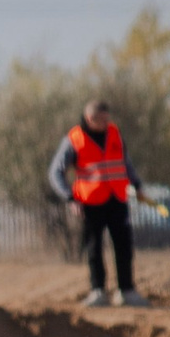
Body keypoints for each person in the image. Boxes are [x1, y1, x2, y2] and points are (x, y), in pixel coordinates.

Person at [46, 99, 148, 307]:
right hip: (90, 202)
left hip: (117, 198)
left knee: (123, 246)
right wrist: (70, 198)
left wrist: (136, 184)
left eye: (106, 118)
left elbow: (124, 162)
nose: (105, 123)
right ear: (89, 118)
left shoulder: (114, 133)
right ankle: (98, 291)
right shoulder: (74, 139)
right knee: (93, 248)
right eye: (100, 119)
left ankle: (126, 291)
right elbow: (55, 172)